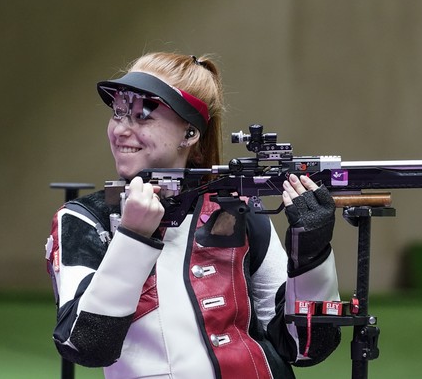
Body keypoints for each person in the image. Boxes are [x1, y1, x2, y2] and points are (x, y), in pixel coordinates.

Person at [46, 51, 341, 379]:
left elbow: (307, 348)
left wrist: (312, 255)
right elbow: (85, 345)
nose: (120, 130)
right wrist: (132, 238)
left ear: (190, 134)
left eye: (142, 116)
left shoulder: (238, 208)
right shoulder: (86, 219)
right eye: (118, 113)